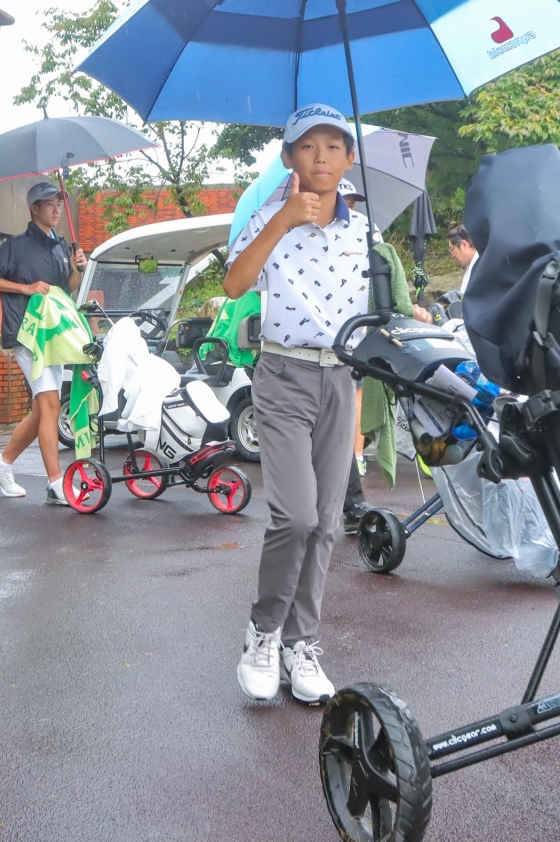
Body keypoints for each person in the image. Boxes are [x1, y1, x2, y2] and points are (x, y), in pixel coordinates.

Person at [225, 103, 365, 705]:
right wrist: (282, 219)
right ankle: (263, 632)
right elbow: (233, 285)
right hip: (281, 374)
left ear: (349, 158)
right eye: (309, 147)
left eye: (334, 146)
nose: (322, 158)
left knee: (329, 521)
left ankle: (301, 642)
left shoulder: (366, 226)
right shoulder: (266, 216)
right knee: (297, 516)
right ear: (289, 158)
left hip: (341, 378)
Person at [0, 181, 88, 504]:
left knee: (43, 410)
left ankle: (0, 465)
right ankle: (56, 484)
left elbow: (67, 289)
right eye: (48, 203)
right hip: (27, 335)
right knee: (51, 404)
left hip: (54, 335)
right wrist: (24, 288)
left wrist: (78, 269)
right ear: (33, 208)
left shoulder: (61, 245)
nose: (55, 208)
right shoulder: (16, 245)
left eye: (58, 202)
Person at [336, 181, 429, 534]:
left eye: (353, 202)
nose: (350, 208)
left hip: (357, 348)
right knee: (334, 434)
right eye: (344, 202)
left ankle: (352, 501)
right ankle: (343, 499)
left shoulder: (367, 237)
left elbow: (385, 294)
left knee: (343, 429)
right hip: (318, 351)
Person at [448, 223, 479, 295]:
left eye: (452, 249)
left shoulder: (481, 269)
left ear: (463, 244)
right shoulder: (476, 264)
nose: (452, 256)